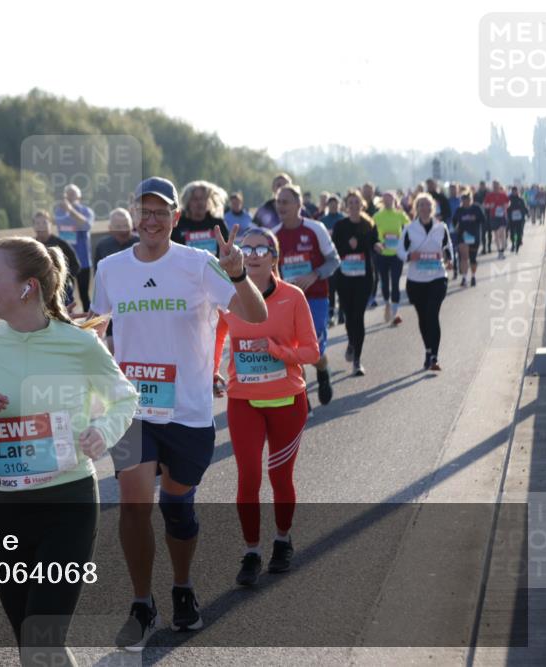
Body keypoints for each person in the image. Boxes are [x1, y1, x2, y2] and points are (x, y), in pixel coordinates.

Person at [0, 237, 138, 666]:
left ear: (28, 286)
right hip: (5, 510)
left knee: (41, 639)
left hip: (68, 506)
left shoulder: (79, 343)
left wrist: (103, 431)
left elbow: (124, 398)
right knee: (32, 649)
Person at [90, 176, 267, 650]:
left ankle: (183, 587)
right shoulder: (109, 268)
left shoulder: (199, 264)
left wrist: (238, 274)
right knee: (133, 503)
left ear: (175, 217)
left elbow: (255, 316)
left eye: (160, 212)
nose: (150, 220)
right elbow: (97, 330)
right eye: (143, 211)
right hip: (131, 409)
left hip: (186, 410)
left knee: (176, 508)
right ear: (135, 214)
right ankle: (141, 604)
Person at [212, 227, 318, 586]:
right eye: (248, 248)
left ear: (275, 258)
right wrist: (213, 370)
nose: (254, 254)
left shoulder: (293, 297)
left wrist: (276, 351)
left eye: (263, 248)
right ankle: (252, 550)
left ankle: (282, 540)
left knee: (279, 477)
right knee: (248, 478)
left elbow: (312, 352)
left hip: (287, 400)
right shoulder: (228, 297)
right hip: (244, 401)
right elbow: (218, 334)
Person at [271, 184, 339, 412]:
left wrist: (315, 274)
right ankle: (303, 396)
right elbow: (270, 271)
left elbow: (334, 260)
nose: (281, 206)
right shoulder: (274, 235)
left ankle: (322, 371)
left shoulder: (315, 228)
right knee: (292, 348)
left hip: (316, 297)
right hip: (287, 300)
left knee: (314, 348)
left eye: (286, 201)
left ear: (299, 205)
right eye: (278, 202)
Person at [397, 193, 454, 371]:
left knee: (432, 314)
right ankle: (428, 351)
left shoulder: (441, 227)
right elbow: (400, 250)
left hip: (437, 277)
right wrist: (409, 256)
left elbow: (448, 247)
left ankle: (435, 357)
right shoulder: (409, 228)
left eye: (428, 205)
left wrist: (449, 258)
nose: (424, 208)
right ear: (416, 208)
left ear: (433, 208)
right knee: (423, 317)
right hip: (416, 280)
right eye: (421, 205)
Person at [331, 191, 381, 375]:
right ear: (346, 205)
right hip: (344, 279)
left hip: (364, 277)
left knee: (358, 317)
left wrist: (377, 245)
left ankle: (357, 361)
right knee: (348, 316)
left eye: (356, 202)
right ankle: (351, 342)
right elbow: (334, 250)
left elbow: (375, 241)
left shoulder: (369, 224)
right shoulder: (340, 225)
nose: (353, 205)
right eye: (350, 202)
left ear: (362, 205)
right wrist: (347, 246)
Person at [53, 184, 95, 311]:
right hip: (66, 260)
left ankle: (89, 322)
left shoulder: (87, 211)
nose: (70, 198)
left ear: (79, 197)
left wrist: (71, 211)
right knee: (65, 294)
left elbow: (87, 225)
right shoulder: (60, 212)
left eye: (73, 195)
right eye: (68, 195)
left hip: (83, 261)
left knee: (84, 294)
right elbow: (59, 226)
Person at [374, 191, 411, 324]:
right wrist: (378, 241)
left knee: (395, 281)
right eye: (386, 199)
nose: (388, 201)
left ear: (395, 200)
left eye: (390, 199)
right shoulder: (377, 216)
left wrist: (404, 242)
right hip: (382, 254)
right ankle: (387, 305)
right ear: (382, 201)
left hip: (396, 253)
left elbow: (409, 228)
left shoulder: (400, 214)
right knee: (384, 281)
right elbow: (372, 233)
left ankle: (395, 312)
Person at [33, 210, 81, 311]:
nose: (41, 226)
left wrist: (63, 279)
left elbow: (75, 265)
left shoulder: (61, 244)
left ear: (50, 224)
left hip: (62, 290)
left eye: (44, 223)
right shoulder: (31, 246)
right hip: (40, 291)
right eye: (37, 223)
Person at [172, 180, 229, 256]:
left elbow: (227, 251)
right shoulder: (178, 225)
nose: (200, 203)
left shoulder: (218, 224)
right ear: (188, 202)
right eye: (195, 199)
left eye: (203, 198)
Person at [319, 194, 344, 327]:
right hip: (328, 260)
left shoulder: (343, 219)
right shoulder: (323, 221)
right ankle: (331, 313)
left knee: (342, 287)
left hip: (343, 258)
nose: (333, 207)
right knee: (332, 288)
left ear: (339, 205)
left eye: (335, 204)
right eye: (331, 204)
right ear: (328, 206)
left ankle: (342, 312)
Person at [452, 190, 484, 287]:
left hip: (474, 237)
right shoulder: (459, 210)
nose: (466, 201)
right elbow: (454, 221)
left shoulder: (476, 208)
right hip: (462, 236)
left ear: (471, 199)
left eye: (468, 199)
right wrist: (456, 227)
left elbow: (483, 219)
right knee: (464, 257)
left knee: (473, 259)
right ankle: (464, 278)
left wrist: (475, 218)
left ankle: (473, 276)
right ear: (462, 200)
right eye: (464, 199)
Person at [482, 180, 510, 259]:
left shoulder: (503, 194)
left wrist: (506, 206)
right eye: (494, 186)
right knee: (496, 235)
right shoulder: (489, 195)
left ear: (499, 186)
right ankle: (499, 251)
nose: (495, 188)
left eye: (496, 186)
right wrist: (489, 206)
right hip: (493, 216)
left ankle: (503, 247)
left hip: (502, 216)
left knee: (502, 232)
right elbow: (484, 204)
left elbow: (508, 202)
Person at [507, 186, 529, 253]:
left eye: (515, 191)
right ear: (512, 191)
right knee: (512, 233)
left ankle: (518, 243)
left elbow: (524, 207)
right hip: (511, 219)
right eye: (513, 191)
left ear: (517, 191)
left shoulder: (520, 199)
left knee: (519, 232)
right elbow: (506, 208)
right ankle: (513, 244)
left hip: (520, 219)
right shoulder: (509, 199)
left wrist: (527, 213)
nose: (514, 192)